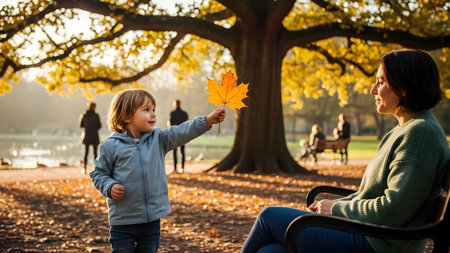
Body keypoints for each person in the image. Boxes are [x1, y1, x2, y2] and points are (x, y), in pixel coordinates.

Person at [241, 49, 450, 253]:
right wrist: (333, 204)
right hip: (370, 234)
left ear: (404, 87)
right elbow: (369, 196)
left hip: (380, 243)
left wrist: (334, 209)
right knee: (271, 250)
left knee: (268, 217)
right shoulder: (407, 128)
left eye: (381, 82)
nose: (373, 90)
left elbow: (392, 209)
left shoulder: (420, 133)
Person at [89, 89, 225, 253]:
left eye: (153, 109)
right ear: (126, 116)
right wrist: (109, 186)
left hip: (151, 220)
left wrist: (207, 121)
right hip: (123, 222)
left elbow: (182, 131)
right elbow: (98, 173)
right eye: (146, 110)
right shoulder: (110, 146)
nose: (153, 114)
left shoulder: (159, 138)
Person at [79, 102, 101, 174]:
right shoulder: (96, 115)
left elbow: (81, 125)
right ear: (94, 107)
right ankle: (96, 169)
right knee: (95, 153)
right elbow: (99, 126)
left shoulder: (84, 115)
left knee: (86, 153)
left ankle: (84, 168)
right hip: (94, 136)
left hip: (87, 135)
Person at [169, 99, 188, 173]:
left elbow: (170, 124)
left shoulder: (172, 113)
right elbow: (186, 125)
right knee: (183, 152)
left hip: (175, 134)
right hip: (183, 134)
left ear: (175, 104)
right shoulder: (184, 114)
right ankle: (182, 167)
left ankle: (175, 168)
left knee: (175, 151)